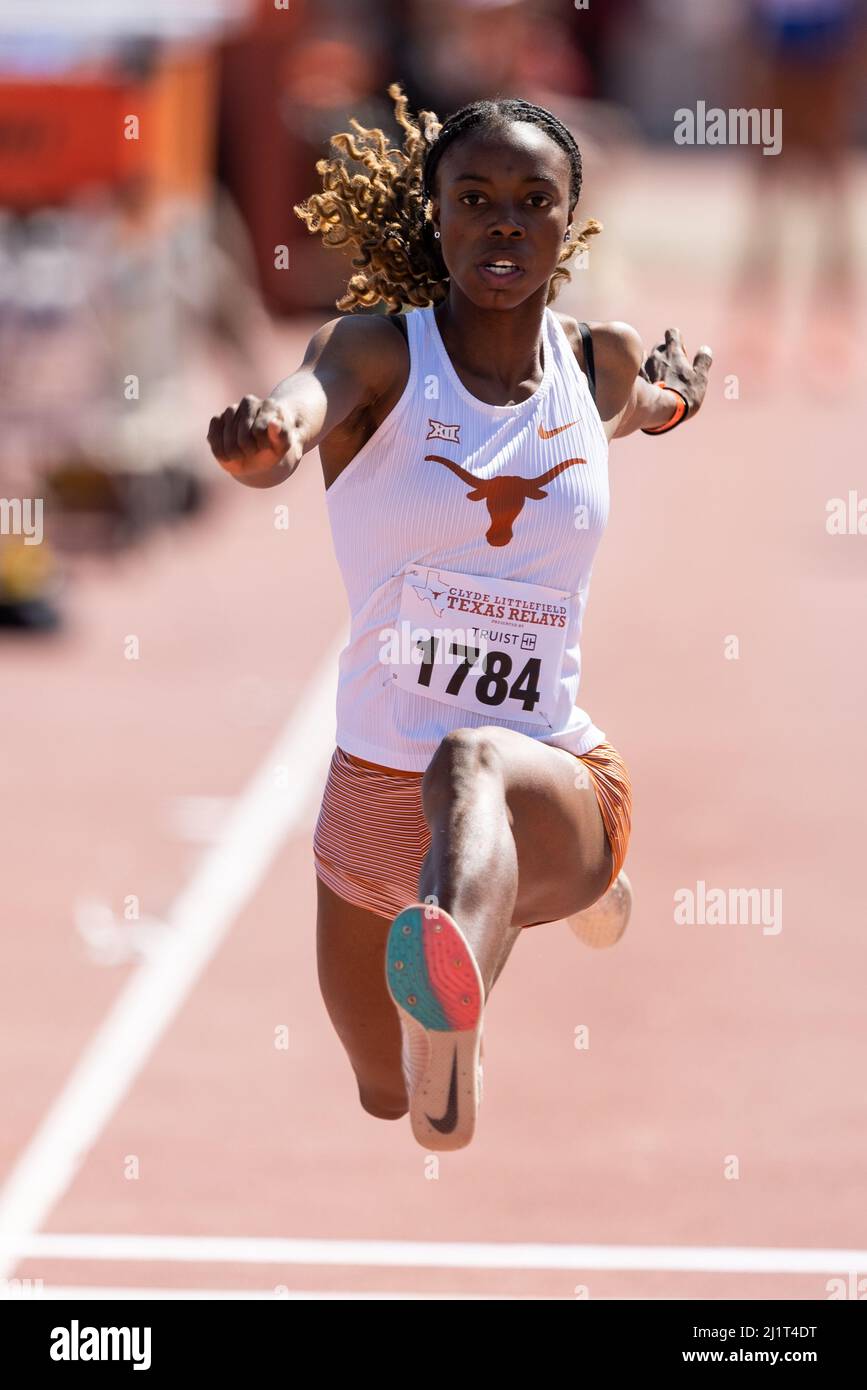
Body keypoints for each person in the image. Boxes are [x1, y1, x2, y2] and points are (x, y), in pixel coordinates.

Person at [207, 85, 712, 1151]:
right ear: (434, 216)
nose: (504, 221)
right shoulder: (377, 357)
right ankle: (452, 1019)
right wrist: (267, 441)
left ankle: (466, 1006)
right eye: (475, 197)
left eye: (535, 201)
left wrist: (677, 398)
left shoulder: (594, 363)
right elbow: (297, 415)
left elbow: (648, 403)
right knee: (380, 1096)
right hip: (370, 802)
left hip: (551, 778)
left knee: (473, 761)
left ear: (568, 226)